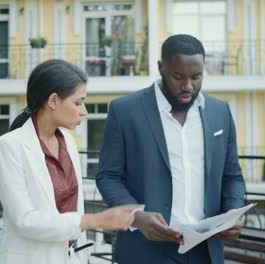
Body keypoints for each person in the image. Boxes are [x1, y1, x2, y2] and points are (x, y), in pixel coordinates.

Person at [96, 34, 246, 264]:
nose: (188, 86)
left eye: (196, 77)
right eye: (178, 77)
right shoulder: (125, 111)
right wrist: (136, 217)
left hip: (206, 251)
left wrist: (234, 214)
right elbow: (108, 176)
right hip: (145, 250)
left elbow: (232, 175)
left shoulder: (220, 112)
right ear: (161, 68)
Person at [0, 59, 139, 264]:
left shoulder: (68, 141)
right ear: (53, 101)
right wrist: (93, 221)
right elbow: (24, 220)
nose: (84, 111)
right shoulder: (8, 146)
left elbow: (72, 207)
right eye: (78, 102)